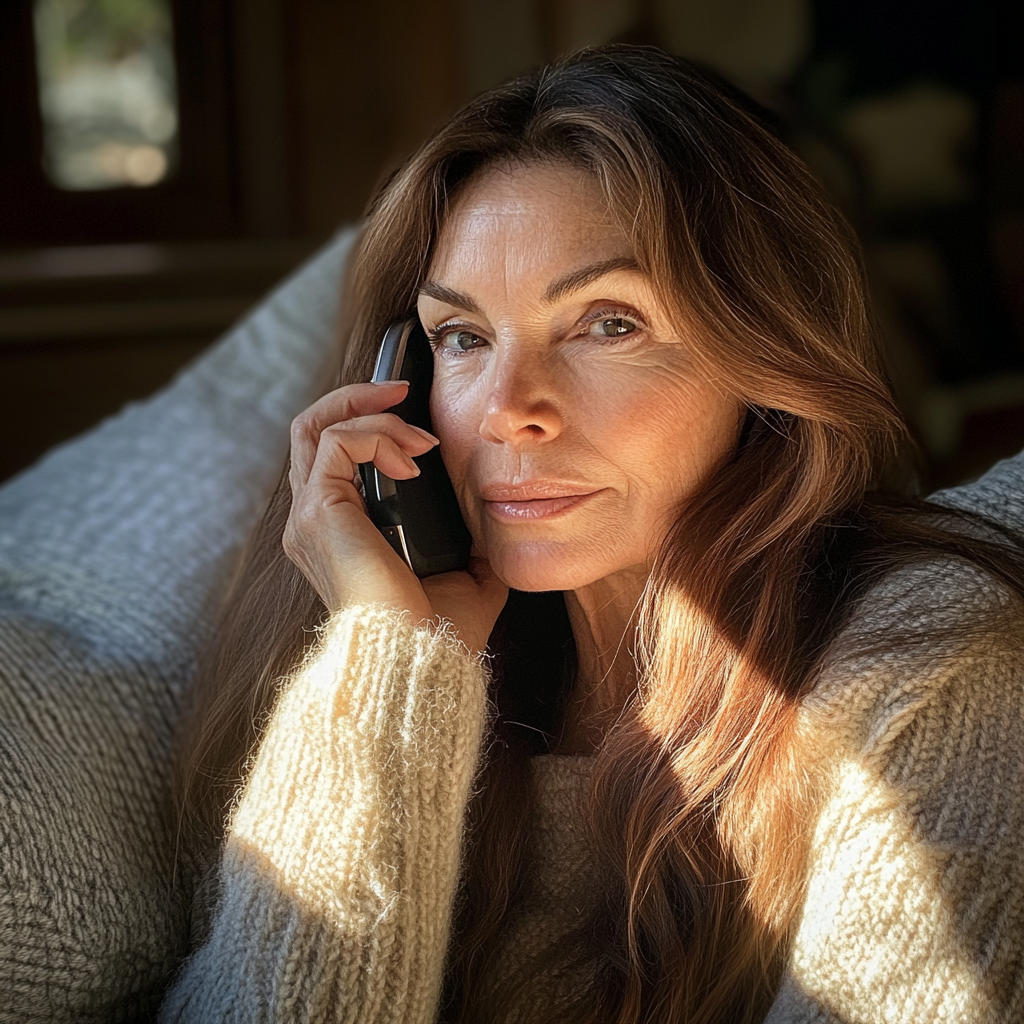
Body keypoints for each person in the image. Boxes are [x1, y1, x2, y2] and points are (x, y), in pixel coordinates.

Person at [72, 44, 1024, 1023]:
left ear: (761, 355)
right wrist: (395, 656)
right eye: (463, 339)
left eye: (608, 323)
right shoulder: (365, 686)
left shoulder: (925, 673)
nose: (507, 410)